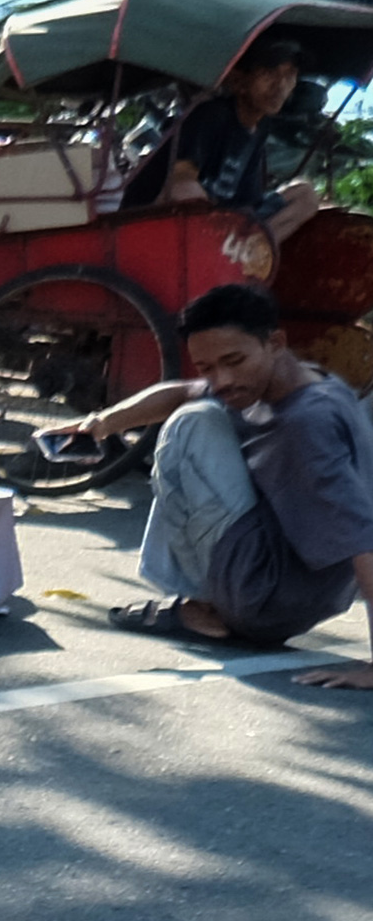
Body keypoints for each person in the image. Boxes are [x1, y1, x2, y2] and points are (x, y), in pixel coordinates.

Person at [44, 284, 373, 680]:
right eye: (207, 367)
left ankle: (205, 607)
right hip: (294, 589)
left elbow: (364, 539)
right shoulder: (308, 383)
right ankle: (215, 604)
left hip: (267, 598)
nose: (222, 379)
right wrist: (100, 425)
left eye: (233, 361)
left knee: (191, 425)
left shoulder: (306, 424)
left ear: (275, 342)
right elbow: (182, 390)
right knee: (199, 407)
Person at [128, 34, 323, 242]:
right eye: (269, 74)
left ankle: (249, 252)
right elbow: (181, 180)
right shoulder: (211, 115)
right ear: (239, 80)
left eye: (289, 75)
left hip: (224, 225)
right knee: (189, 193)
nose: (281, 86)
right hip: (157, 221)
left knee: (305, 195)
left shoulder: (260, 127)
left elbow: (248, 200)